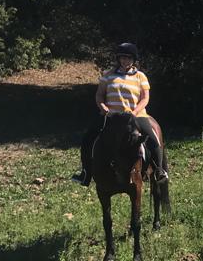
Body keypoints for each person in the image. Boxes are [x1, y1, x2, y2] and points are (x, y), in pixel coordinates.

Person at [71, 43, 168, 186]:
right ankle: (85, 173)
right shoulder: (108, 75)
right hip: (112, 116)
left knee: (153, 139)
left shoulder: (140, 76)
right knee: (88, 138)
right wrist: (103, 107)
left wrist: (135, 112)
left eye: (128, 58)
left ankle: (159, 170)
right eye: (122, 58)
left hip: (136, 116)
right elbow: (99, 95)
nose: (125, 61)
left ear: (133, 60)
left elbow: (145, 98)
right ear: (118, 59)